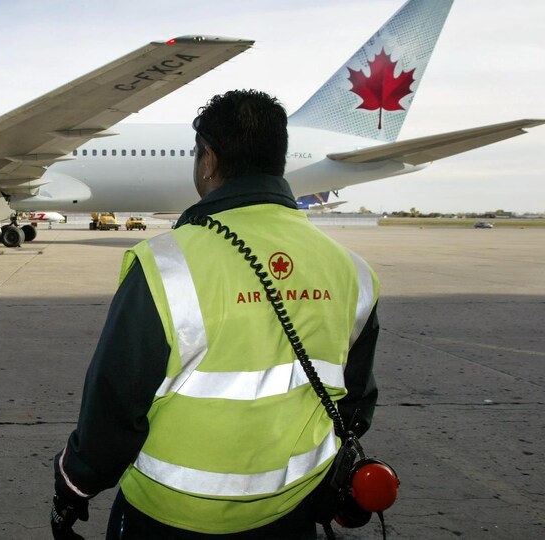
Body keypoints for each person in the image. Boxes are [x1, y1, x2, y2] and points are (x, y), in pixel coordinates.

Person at [50, 89, 380, 539]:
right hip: (293, 508)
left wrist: (75, 483)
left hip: (169, 514)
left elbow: (115, 403)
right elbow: (356, 402)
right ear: (279, 160)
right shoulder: (351, 270)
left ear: (208, 160)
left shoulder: (166, 264)